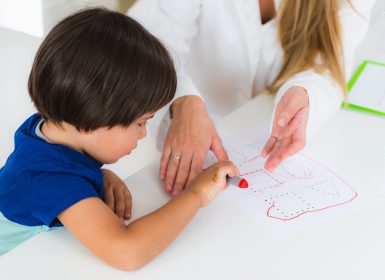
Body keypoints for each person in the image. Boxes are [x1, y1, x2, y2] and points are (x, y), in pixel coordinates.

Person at [0, 8, 239, 270]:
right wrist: (197, 194)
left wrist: (94, 178)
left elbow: (54, 172)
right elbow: (128, 252)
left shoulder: (45, 128)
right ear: (90, 119)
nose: (144, 133)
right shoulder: (52, 182)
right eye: (140, 122)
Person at [128, 0, 375, 196]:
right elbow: (145, 41)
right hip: (181, 133)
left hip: (262, 136)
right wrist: (183, 100)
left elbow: (332, 62)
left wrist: (306, 92)